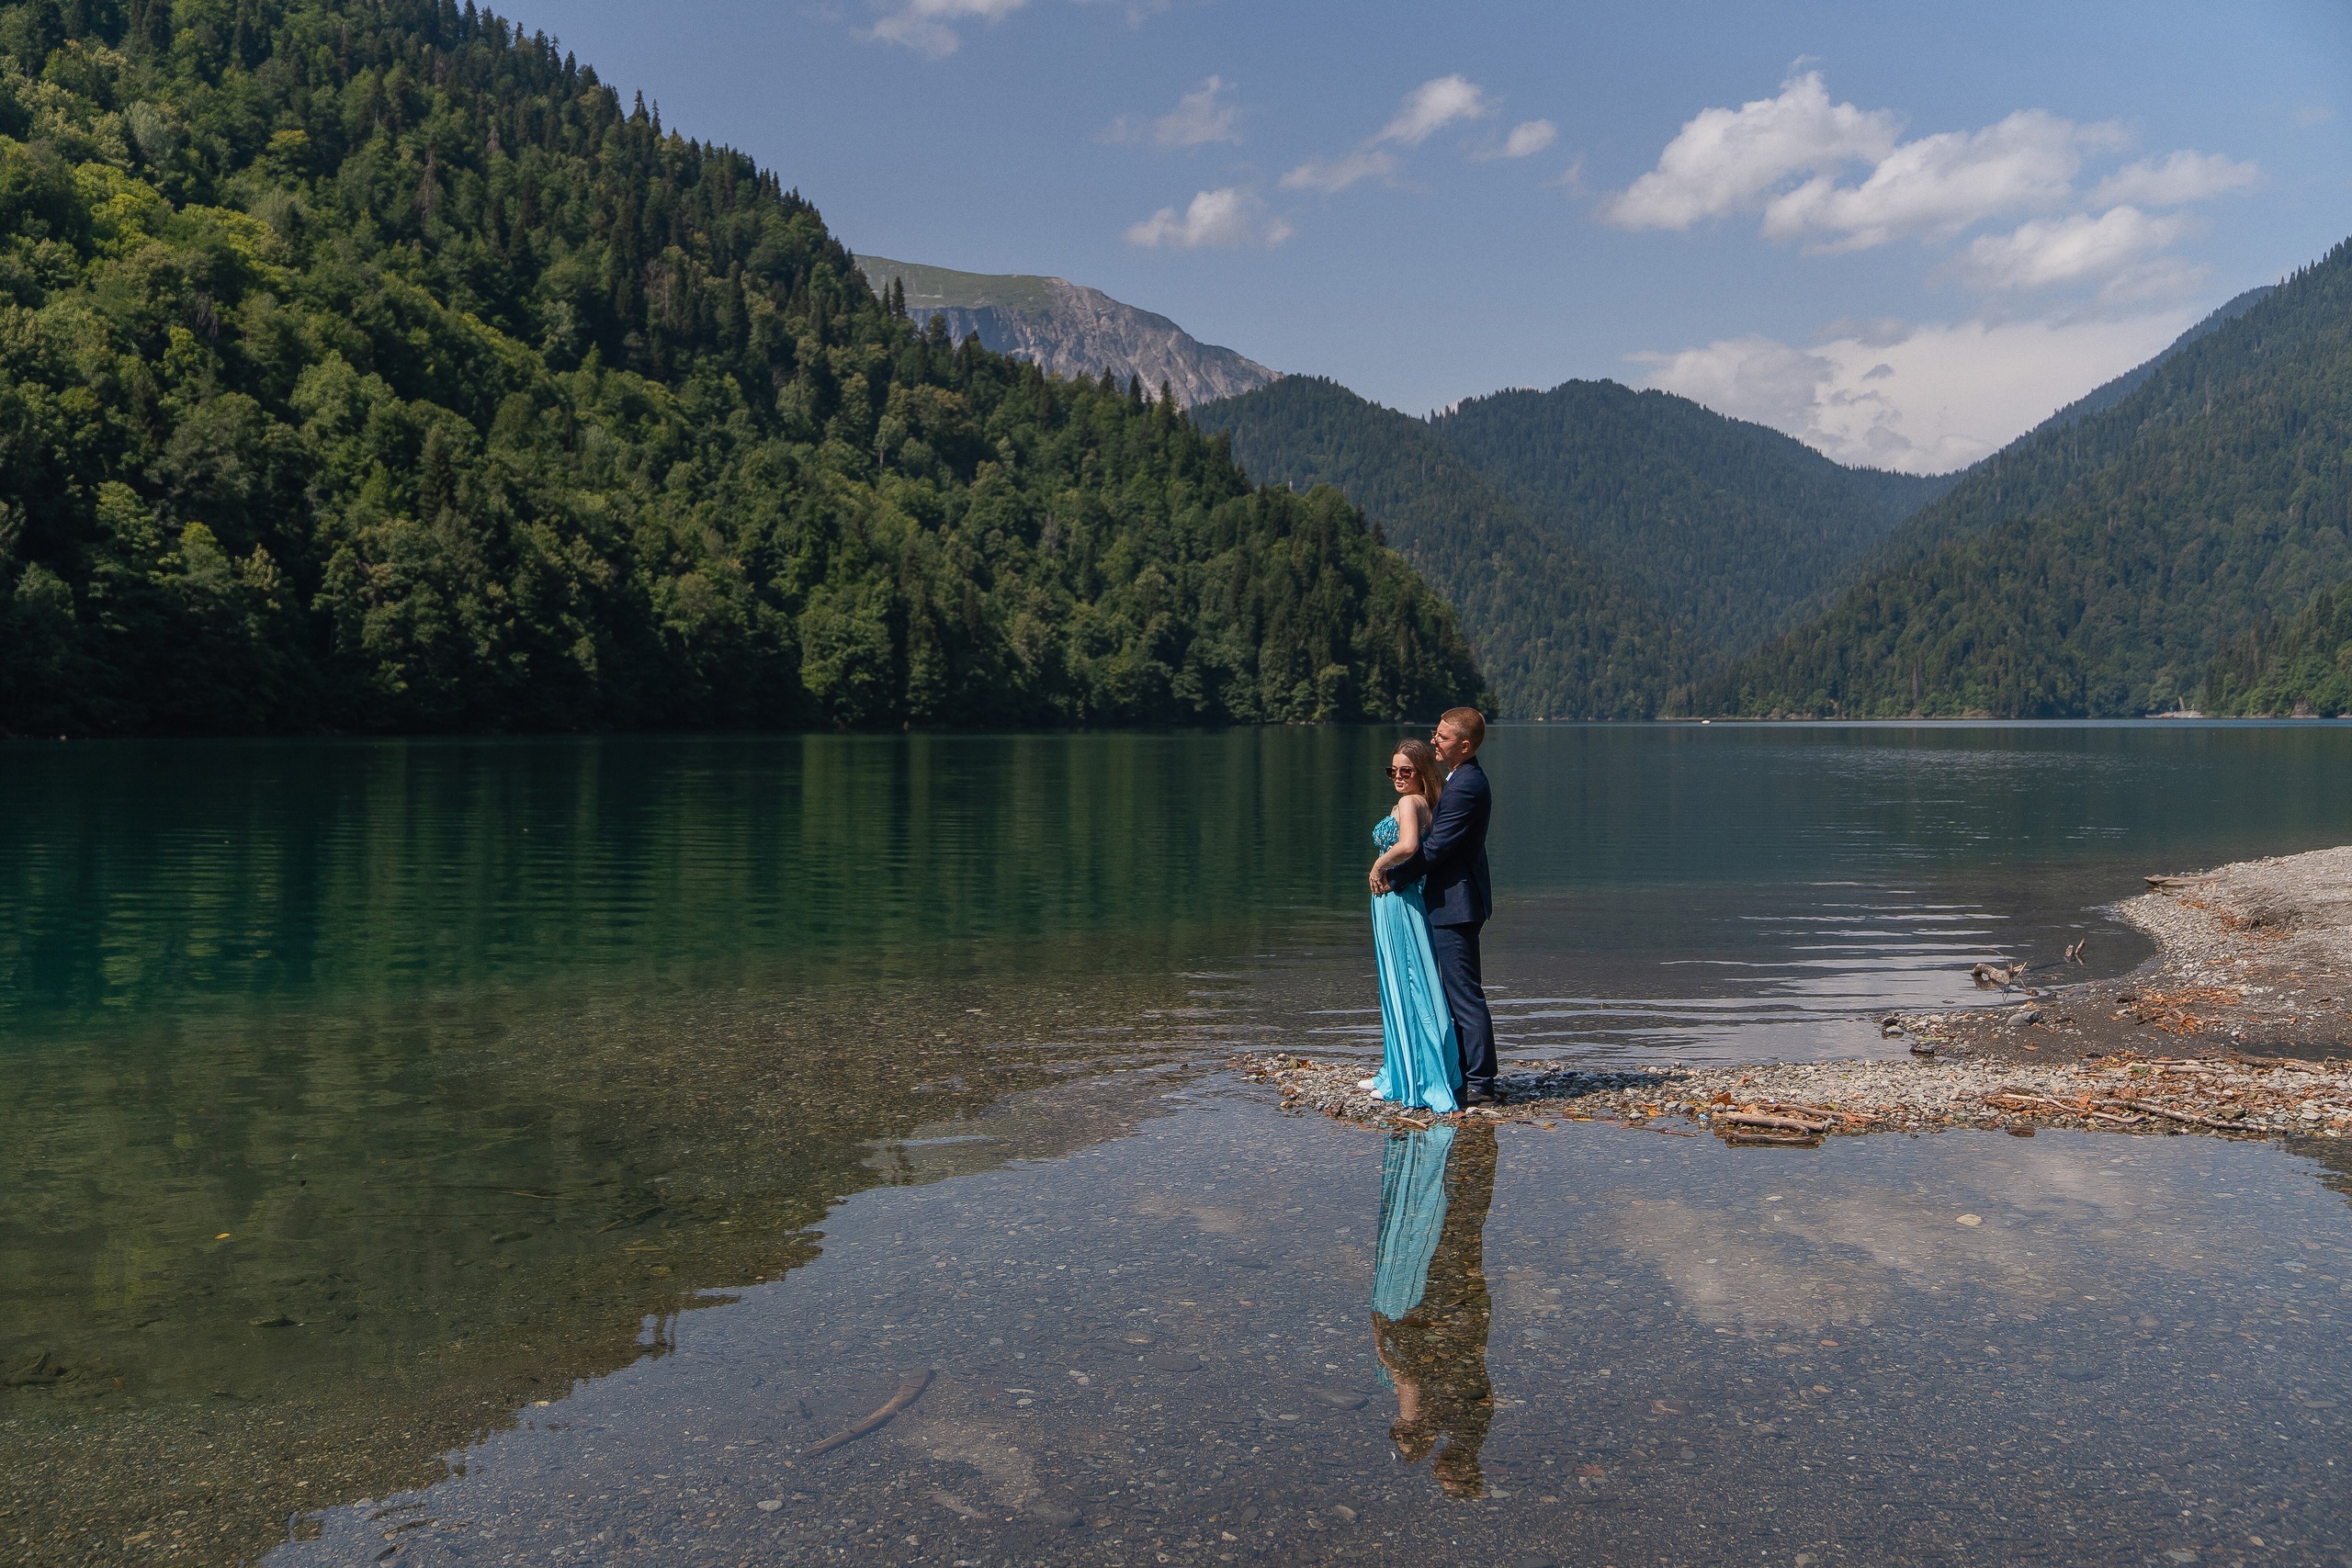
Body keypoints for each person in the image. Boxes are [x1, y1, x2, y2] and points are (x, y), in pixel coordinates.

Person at [1372, 707, 1498, 1105]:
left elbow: (1439, 846)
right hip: (1449, 901)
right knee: (1449, 989)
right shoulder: (1455, 780)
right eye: (1435, 732)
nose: (1434, 741)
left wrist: (1395, 879)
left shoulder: (1466, 785)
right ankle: (1459, 1071)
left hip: (1456, 903)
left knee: (1463, 993)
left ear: (1464, 744)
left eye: (1441, 737)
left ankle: (1480, 1082)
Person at [1370, 1121, 1497, 1498]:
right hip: (1438, 1320)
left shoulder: (1469, 1431)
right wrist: (1381, 1337)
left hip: (1460, 1324)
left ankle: (1453, 1153)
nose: (1438, 1470)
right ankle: (1441, 1155)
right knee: (1429, 1243)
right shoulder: (1460, 1429)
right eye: (1446, 1474)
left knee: (1455, 1234)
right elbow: (1410, 1377)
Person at [1361, 739, 1462, 1114]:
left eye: (1407, 771)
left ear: (1422, 772)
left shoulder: (1409, 803)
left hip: (1398, 901)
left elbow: (1407, 845)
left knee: (1404, 981)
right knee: (1408, 981)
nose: (1398, 777)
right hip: (1402, 900)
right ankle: (1399, 1069)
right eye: (1393, 771)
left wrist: (1378, 865)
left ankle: (1413, 1076)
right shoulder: (1425, 802)